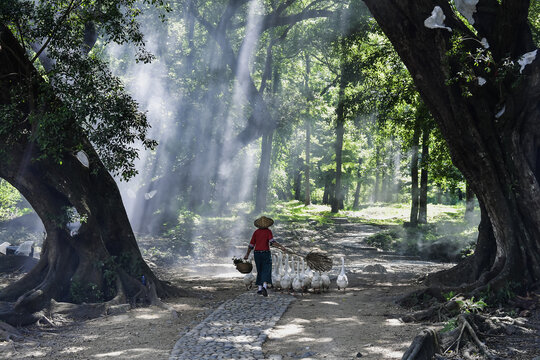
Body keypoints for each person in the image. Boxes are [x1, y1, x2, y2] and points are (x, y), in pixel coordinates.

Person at [244, 216, 286, 297]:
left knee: (259, 270)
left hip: (257, 253)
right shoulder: (268, 232)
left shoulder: (256, 232)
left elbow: (251, 245)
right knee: (266, 269)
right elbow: (272, 242)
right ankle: (264, 287)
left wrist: (247, 254)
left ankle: (259, 289)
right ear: (267, 224)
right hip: (265, 253)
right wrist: (281, 247)